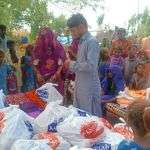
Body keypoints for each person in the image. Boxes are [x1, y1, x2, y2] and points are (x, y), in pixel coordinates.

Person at [65, 13, 102, 116]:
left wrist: (71, 64)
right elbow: (82, 62)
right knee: (81, 117)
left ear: (81, 26)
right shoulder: (82, 42)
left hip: (89, 88)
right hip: (81, 86)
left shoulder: (92, 42)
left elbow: (91, 65)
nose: (72, 33)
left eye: (72, 30)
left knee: (92, 119)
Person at [32, 28, 66, 95]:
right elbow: (35, 64)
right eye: (43, 37)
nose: (46, 40)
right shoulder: (37, 48)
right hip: (42, 79)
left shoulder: (58, 47)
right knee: (44, 99)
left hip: (55, 78)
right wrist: (38, 74)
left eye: (48, 37)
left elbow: (61, 63)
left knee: (56, 99)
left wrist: (57, 73)